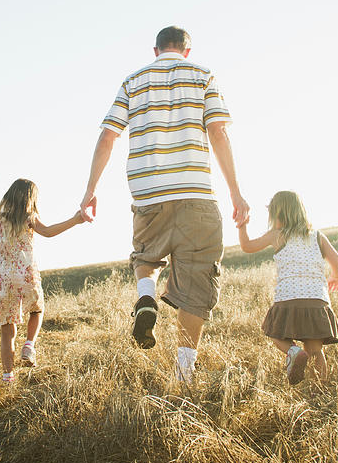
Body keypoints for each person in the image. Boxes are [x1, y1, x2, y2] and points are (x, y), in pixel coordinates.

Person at [79, 26, 249, 383]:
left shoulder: (133, 80)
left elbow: (108, 135)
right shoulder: (203, 76)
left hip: (148, 193)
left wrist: (90, 189)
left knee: (146, 255)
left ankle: (146, 298)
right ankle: (184, 371)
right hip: (196, 193)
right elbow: (218, 133)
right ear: (187, 51)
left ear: (155, 50)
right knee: (197, 280)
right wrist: (235, 192)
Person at [0, 178, 85, 384]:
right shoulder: (29, 217)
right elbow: (48, 232)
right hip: (26, 274)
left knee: (7, 330)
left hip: (5, 280)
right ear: (30, 199)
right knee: (37, 310)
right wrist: (75, 220)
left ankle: (7, 377)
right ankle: (29, 345)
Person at [237, 190, 338, 385]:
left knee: (274, 332)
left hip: (288, 298)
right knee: (315, 350)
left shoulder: (277, 235)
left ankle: (293, 351)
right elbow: (337, 261)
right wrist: (335, 276)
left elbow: (247, 247)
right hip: (316, 300)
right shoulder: (317, 236)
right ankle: (319, 391)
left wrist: (242, 226)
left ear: (277, 215)